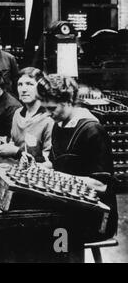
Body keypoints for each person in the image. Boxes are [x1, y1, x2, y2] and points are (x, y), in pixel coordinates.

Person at [35, 73, 118, 240]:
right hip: (69, 205)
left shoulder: (92, 130)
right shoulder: (59, 125)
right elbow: (57, 162)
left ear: (68, 101)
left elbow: (101, 185)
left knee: (48, 234)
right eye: (45, 108)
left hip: (94, 216)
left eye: (52, 108)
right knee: (34, 226)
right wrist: (39, 167)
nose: (48, 114)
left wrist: (55, 176)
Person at [0, 68, 54, 163]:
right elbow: (13, 142)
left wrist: (17, 152)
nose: (23, 89)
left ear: (41, 88)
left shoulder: (48, 120)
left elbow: (49, 161)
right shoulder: (18, 113)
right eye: (20, 85)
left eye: (30, 84)